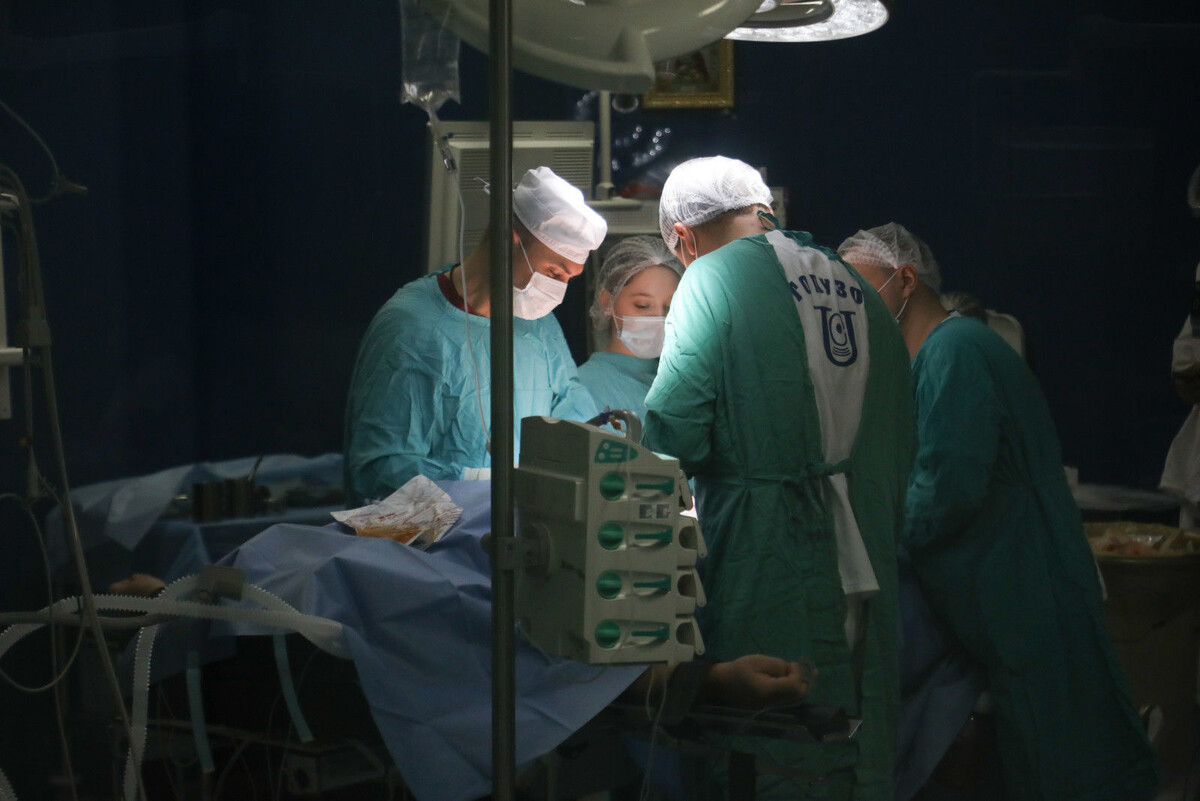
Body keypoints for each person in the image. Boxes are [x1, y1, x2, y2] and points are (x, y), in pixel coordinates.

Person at [838, 222, 1159, 801]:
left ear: (905, 280)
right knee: (1031, 743)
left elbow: (946, 489)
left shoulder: (957, 350)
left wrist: (874, 546)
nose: (850, 305)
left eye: (858, 289)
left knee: (1063, 748)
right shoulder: (927, 359)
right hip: (1001, 589)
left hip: (1026, 581)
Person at [643, 156, 916, 800]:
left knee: (771, 753)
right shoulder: (862, 292)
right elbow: (900, 443)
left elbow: (674, 436)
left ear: (682, 236)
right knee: (852, 749)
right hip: (869, 569)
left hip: (769, 567)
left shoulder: (711, 280)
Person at [343, 167, 606, 504]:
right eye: (553, 272)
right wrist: (480, 486)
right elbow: (378, 469)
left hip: (525, 523)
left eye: (569, 279)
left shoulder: (538, 324)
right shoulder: (410, 328)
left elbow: (575, 412)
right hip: (433, 533)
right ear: (507, 242)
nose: (558, 291)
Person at [577, 235, 684, 422]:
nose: (659, 318)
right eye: (642, 305)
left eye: (669, 308)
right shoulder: (582, 388)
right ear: (607, 302)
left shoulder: (682, 384)